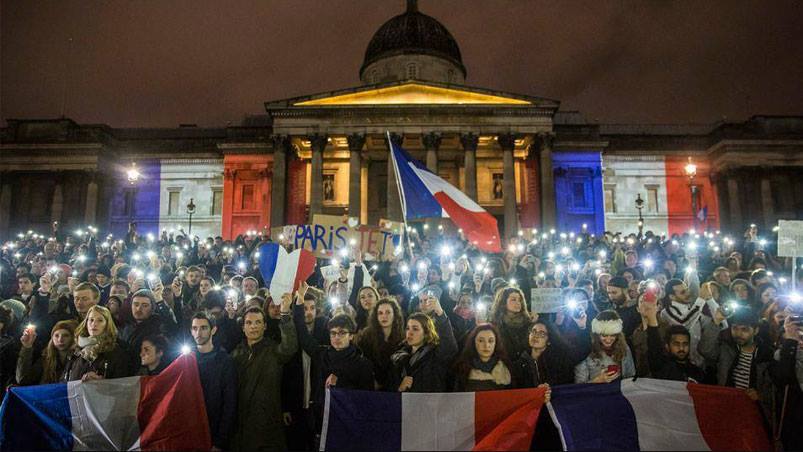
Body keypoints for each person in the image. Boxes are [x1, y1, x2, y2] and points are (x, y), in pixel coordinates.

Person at [231, 295, 297, 451]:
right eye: (249, 323)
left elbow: (290, 346)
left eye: (258, 322)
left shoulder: (274, 350)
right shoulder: (235, 355)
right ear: (243, 327)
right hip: (241, 426)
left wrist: (286, 315)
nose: (253, 326)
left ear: (265, 326)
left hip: (268, 426)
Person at [391, 295, 458, 393]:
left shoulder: (435, 355)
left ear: (426, 333)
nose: (410, 332)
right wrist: (399, 388)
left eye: (415, 329)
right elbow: (390, 385)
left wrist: (440, 313)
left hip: (430, 406)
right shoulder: (398, 356)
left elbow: (450, 347)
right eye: (408, 328)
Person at [190, 312, 237, 452]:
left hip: (214, 431)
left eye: (204, 328)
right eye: (195, 328)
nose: (198, 332)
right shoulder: (186, 359)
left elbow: (230, 403)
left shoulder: (225, 361)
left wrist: (220, 441)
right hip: (190, 431)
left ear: (213, 330)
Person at [62, 305, 135, 381]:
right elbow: (64, 380)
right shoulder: (75, 350)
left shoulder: (116, 351)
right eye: (91, 320)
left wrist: (102, 382)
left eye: (100, 320)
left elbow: (121, 384)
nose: (94, 324)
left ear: (107, 324)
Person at [641, 296, 705, 382]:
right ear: (667, 346)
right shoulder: (661, 367)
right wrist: (651, 316)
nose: (681, 348)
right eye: (676, 344)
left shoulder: (698, 373)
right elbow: (654, 346)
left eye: (685, 344)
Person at [355, 297, 405, 390]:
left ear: (395, 314)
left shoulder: (403, 337)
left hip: (395, 386)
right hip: (370, 385)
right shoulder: (366, 336)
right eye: (380, 313)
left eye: (388, 312)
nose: (384, 316)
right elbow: (363, 362)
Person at [513, 319, 581, 388]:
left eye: (541, 333)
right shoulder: (520, 363)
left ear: (549, 341)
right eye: (533, 331)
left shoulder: (558, 362)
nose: (535, 336)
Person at [769, 315, 803, 451]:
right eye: (799, 335)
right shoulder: (782, 356)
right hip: (794, 427)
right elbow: (783, 377)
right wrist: (791, 342)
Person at [574, 310, 636, 383]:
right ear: (597, 335)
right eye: (604, 335)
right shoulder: (586, 349)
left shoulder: (624, 348)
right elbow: (579, 386)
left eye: (613, 335)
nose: (608, 340)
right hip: (595, 393)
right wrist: (597, 380)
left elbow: (631, 376)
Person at [453, 323, 513, 391]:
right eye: (481, 341)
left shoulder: (507, 368)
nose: (486, 345)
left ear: (496, 343)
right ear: (474, 342)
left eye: (491, 341)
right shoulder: (463, 369)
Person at [16, 320, 77, 385]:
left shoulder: (78, 359)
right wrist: (27, 347)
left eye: (66, 335)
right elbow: (22, 379)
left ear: (72, 338)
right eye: (56, 335)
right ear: (52, 338)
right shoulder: (45, 359)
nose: (60, 340)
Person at [489, 287, 533, 359]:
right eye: (513, 300)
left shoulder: (528, 322)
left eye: (519, 300)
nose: (518, 303)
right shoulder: (495, 324)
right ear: (503, 302)